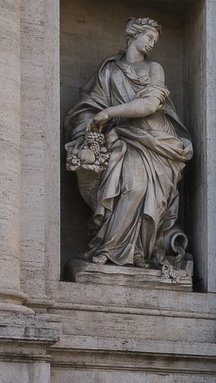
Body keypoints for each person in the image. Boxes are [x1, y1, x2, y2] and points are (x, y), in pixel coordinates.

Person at [64, 17, 194, 270]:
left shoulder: (154, 68)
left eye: (155, 40)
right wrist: (89, 126)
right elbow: (89, 106)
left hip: (157, 141)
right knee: (131, 188)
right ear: (133, 35)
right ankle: (110, 248)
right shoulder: (109, 71)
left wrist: (108, 113)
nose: (151, 44)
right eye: (148, 37)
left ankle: (140, 253)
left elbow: (150, 104)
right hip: (123, 137)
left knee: (148, 196)